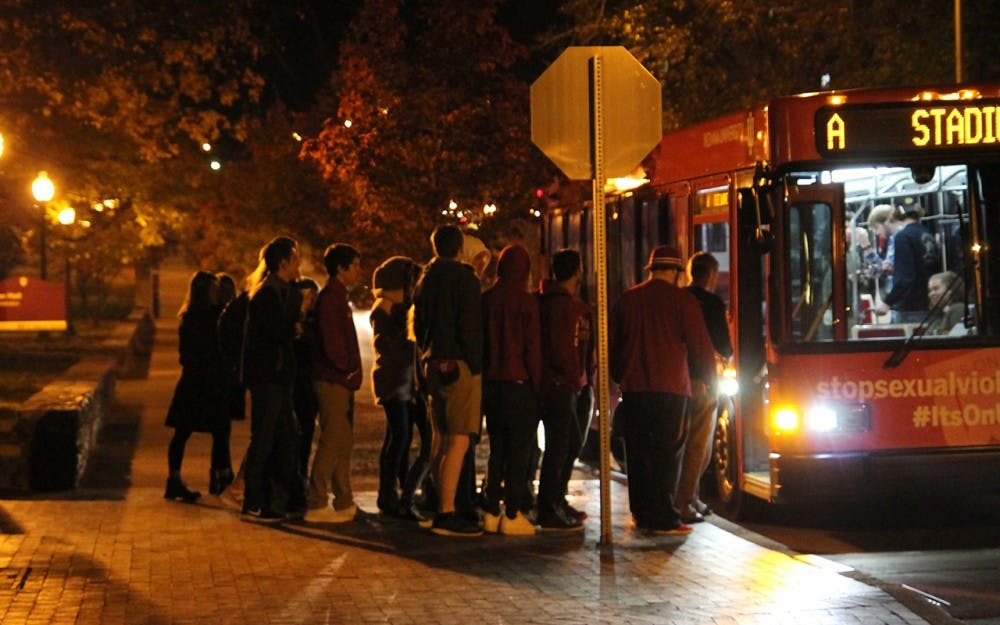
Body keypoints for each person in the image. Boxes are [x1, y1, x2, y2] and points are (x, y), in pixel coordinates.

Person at [610, 244, 716, 535]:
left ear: (652, 269)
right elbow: (700, 345)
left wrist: (620, 376)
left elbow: (614, 348)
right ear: (676, 271)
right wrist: (709, 376)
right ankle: (665, 517)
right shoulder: (682, 301)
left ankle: (641, 512)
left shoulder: (627, 300)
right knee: (667, 452)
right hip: (672, 388)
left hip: (635, 389)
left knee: (639, 452)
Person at [410, 224, 484, 536]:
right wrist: (476, 363)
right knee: (459, 440)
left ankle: (440, 502)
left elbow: (419, 325)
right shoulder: (464, 278)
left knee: (440, 437)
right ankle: (447, 512)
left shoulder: (425, 278)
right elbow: (469, 325)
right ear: (459, 248)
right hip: (458, 364)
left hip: (432, 363)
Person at [241, 236, 305, 522]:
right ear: (283, 263)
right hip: (268, 377)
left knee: (286, 437)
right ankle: (254, 500)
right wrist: (294, 324)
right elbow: (276, 333)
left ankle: (277, 497)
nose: (299, 264)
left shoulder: (280, 291)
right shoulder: (268, 294)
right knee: (264, 439)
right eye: (295, 259)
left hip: (279, 376)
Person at [481, 244, 542, 536]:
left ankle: (491, 510)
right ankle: (513, 512)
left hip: (491, 386)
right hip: (519, 385)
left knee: (497, 449)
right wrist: (538, 385)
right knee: (519, 451)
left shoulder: (487, 300)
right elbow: (532, 349)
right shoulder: (526, 302)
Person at [305, 244, 365, 523]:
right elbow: (333, 345)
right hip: (332, 380)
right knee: (333, 439)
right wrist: (346, 369)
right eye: (354, 266)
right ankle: (316, 500)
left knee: (343, 440)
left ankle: (344, 499)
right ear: (340, 269)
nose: (358, 271)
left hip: (338, 379)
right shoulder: (331, 300)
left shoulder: (336, 297)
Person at [536, 249, 593, 531]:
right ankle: (549, 506)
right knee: (560, 447)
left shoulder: (565, 303)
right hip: (561, 385)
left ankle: (556, 500)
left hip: (567, 384)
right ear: (578, 271)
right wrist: (574, 379)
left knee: (568, 445)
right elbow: (562, 349)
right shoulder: (561, 306)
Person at [676, 251, 733, 524]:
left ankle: (691, 496)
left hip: (678, 378)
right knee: (700, 444)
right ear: (710, 274)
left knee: (684, 441)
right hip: (705, 379)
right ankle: (686, 500)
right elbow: (724, 345)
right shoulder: (711, 303)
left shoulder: (677, 299)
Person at [164, 271, 229, 503]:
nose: (217, 293)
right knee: (187, 432)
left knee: (214, 431)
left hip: (199, 381)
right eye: (213, 289)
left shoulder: (202, 316)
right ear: (204, 292)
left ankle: (217, 477)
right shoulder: (199, 318)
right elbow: (190, 354)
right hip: (199, 383)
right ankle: (175, 480)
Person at [369, 256, 420, 516]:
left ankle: (393, 491)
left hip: (401, 381)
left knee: (399, 436)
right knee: (399, 437)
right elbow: (387, 347)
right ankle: (388, 493)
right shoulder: (385, 309)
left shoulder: (395, 308)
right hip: (394, 381)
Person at [870, 202, 940, 322]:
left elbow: (905, 277)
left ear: (895, 216)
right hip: (927, 302)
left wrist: (887, 302)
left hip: (910, 306)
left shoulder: (903, 237)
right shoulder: (926, 233)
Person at [292, 277, 320, 480]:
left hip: (311, 381)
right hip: (295, 382)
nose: (309, 301)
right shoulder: (292, 320)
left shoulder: (315, 322)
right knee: (296, 430)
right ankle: (295, 472)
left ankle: (302, 471)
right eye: (305, 296)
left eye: (312, 296)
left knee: (308, 428)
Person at [926, 271, 966, 335]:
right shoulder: (937, 315)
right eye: (930, 290)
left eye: (936, 289)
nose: (931, 294)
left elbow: (956, 340)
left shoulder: (958, 309)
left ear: (951, 289)